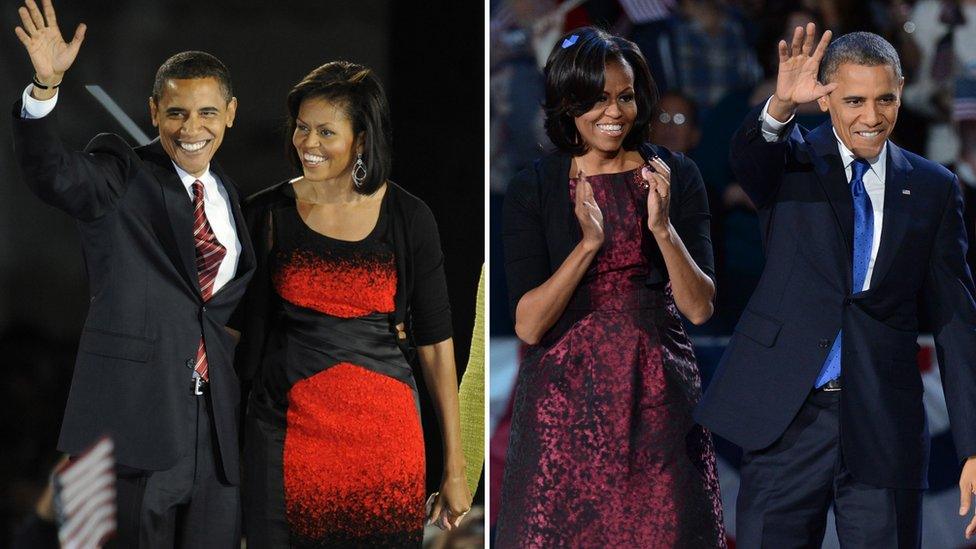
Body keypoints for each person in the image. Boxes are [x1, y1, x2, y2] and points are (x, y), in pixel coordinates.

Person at [695, 23, 976, 546]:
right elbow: (748, 158)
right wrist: (779, 106)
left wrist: (973, 446)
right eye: (854, 100)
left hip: (884, 420)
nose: (872, 117)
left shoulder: (935, 187)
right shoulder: (792, 160)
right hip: (788, 415)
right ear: (825, 100)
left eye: (885, 99)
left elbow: (957, 322)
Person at [10, 0, 254, 546]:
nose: (192, 128)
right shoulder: (121, 173)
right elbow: (56, 175)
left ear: (231, 113)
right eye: (176, 113)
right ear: (153, 112)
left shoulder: (231, 199)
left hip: (217, 440)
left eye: (207, 113)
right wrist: (44, 90)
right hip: (138, 427)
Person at [497, 26, 725, 547]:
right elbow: (529, 322)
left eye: (625, 97)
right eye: (597, 99)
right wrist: (587, 245)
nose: (615, 113)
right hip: (563, 404)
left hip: (659, 399)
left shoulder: (675, 174)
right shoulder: (534, 186)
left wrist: (663, 230)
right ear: (566, 101)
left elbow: (699, 308)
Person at [232, 61, 471, 547]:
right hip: (283, 435)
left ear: (362, 140)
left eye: (325, 131)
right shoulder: (266, 214)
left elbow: (435, 345)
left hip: (385, 447)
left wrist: (455, 465)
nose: (308, 143)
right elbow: (235, 330)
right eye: (301, 128)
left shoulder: (409, 217)